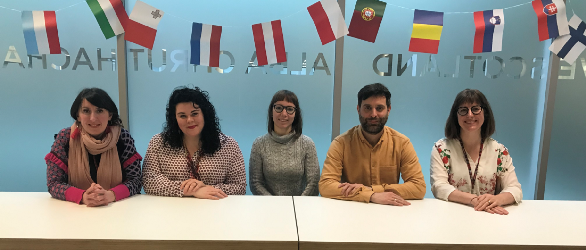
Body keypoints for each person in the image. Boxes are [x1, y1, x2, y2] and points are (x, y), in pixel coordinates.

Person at [319, 83, 426, 205]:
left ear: (388, 110)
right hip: (351, 210)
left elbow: (419, 187)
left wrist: (372, 190)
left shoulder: (402, 143)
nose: (373, 114)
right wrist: (372, 195)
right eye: (367, 108)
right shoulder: (341, 143)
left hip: (389, 211)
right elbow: (326, 185)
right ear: (358, 109)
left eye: (379, 108)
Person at [142, 86, 246, 199]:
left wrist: (205, 188)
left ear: (205, 114)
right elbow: (149, 181)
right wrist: (190, 191)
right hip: (171, 211)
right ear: (174, 119)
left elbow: (239, 187)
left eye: (194, 113)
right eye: (182, 116)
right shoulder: (158, 142)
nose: (189, 120)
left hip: (215, 210)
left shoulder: (228, 145)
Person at [45, 88, 142, 207]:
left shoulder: (122, 138)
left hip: (116, 209)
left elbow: (136, 180)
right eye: (86, 111)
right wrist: (83, 196)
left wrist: (110, 195)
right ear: (78, 116)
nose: (93, 118)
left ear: (110, 115)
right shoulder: (65, 138)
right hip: (76, 210)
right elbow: (54, 183)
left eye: (100, 111)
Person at [430, 89, 522, 215]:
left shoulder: (499, 151)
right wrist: (474, 200)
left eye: (475, 109)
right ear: (455, 116)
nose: (470, 115)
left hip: (489, 216)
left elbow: (515, 189)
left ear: (485, 113)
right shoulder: (441, 149)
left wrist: (496, 199)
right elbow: (439, 186)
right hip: (452, 216)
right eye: (463, 110)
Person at [249, 90, 320, 196]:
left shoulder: (307, 144)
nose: (284, 114)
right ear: (271, 112)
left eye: (290, 109)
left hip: (301, 207)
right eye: (278, 108)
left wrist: (297, 204)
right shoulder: (259, 144)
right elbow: (255, 183)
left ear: (296, 114)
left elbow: (313, 183)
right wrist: (275, 204)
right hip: (268, 206)